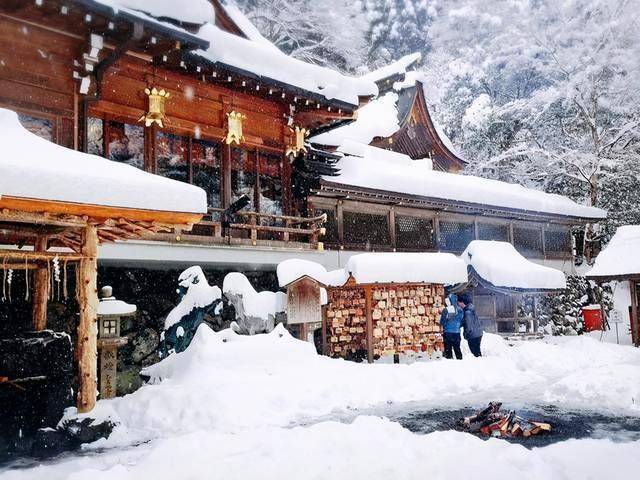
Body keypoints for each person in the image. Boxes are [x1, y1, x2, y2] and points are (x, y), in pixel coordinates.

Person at [439, 293, 464, 359]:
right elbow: (462, 321)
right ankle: (460, 360)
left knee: (448, 349)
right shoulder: (460, 309)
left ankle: (450, 361)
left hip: (448, 332)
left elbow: (443, 321)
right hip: (457, 332)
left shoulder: (446, 309)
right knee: (457, 348)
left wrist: (443, 326)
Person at [459, 291, 484, 357]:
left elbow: (468, 324)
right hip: (478, 333)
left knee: (475, 352)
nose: (458, 304)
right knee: (477, 351)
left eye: (459, 302)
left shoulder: (467, 312)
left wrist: (466, 334)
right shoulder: (470, 309)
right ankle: (481, 363)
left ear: (462, 302)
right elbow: (465, 321)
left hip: (473, 335)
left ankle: (480, 364)